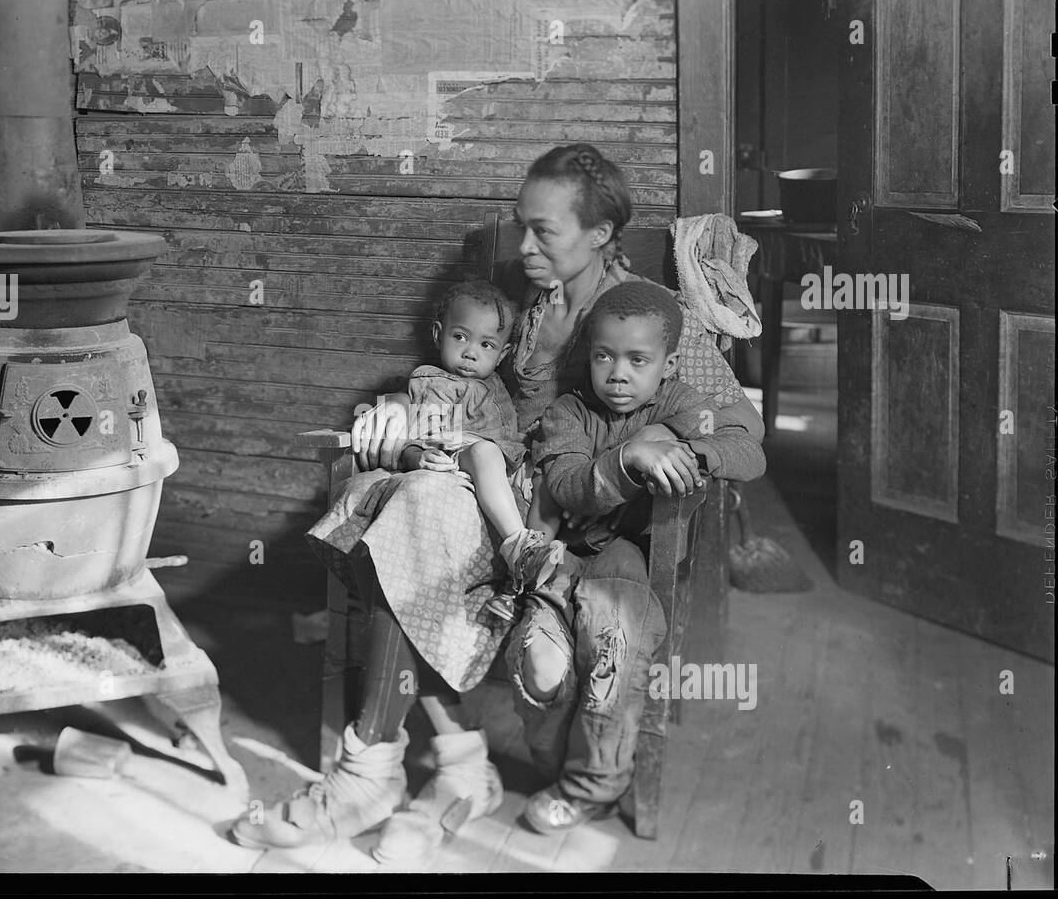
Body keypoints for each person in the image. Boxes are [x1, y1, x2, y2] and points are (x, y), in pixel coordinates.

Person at [229, 143, 764, 862]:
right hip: (494, 490)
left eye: (546, 230)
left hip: (567, 527)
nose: (524, 245)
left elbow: (737, 428)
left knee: (413, 512)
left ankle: (381, 771)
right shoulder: (528, 307)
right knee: (384, 493)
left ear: (601, 235)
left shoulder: (649, 320)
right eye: (521, 225)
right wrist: (399, 410)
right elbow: (471, 396)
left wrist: (667, 445)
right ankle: (442, 765)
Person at [510, 280, 766, 833]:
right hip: (558, 562)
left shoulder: (681, 405)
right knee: (541, 665)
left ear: (669, 364)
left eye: (638, 359)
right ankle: (556, 763)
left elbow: (749, 452)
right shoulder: (567, 413)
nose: (618, 373)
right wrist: (629, 457)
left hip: (624, 557)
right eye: (605, 355)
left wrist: (690, 451)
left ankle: (594, 787)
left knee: (614, 641)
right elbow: (572, 487)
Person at [401, 281, 565, 624]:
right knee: (485, 451)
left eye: (486, 344)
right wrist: (418, 455)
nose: (470, 352)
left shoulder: (495, 385)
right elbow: (423, 434)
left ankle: (518, 584)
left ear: (502, 355)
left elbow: (510, 434)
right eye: (460, 337)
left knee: (548, 476)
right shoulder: (436, 381)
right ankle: (518, 545)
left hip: (501, 459)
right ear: (438, 334)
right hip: (457, 456)